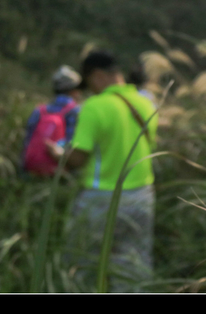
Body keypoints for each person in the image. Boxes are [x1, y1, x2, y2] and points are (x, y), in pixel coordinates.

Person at [56, 50, 158, 292]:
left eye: (89, 82)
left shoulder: (94, 107)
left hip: (101, 197)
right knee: (133, 264)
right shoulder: (146, 103)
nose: (90, 89)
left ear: (99, 76)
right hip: (143, 196)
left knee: (83, 264)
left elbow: (79, 158)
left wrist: (59, 155)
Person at [22, 66, 82, 178]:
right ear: (74, 90)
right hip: (60, 173)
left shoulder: (39, 110)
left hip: (33, 169)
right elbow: (74, 143)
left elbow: (27, 141)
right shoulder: (75, 111)